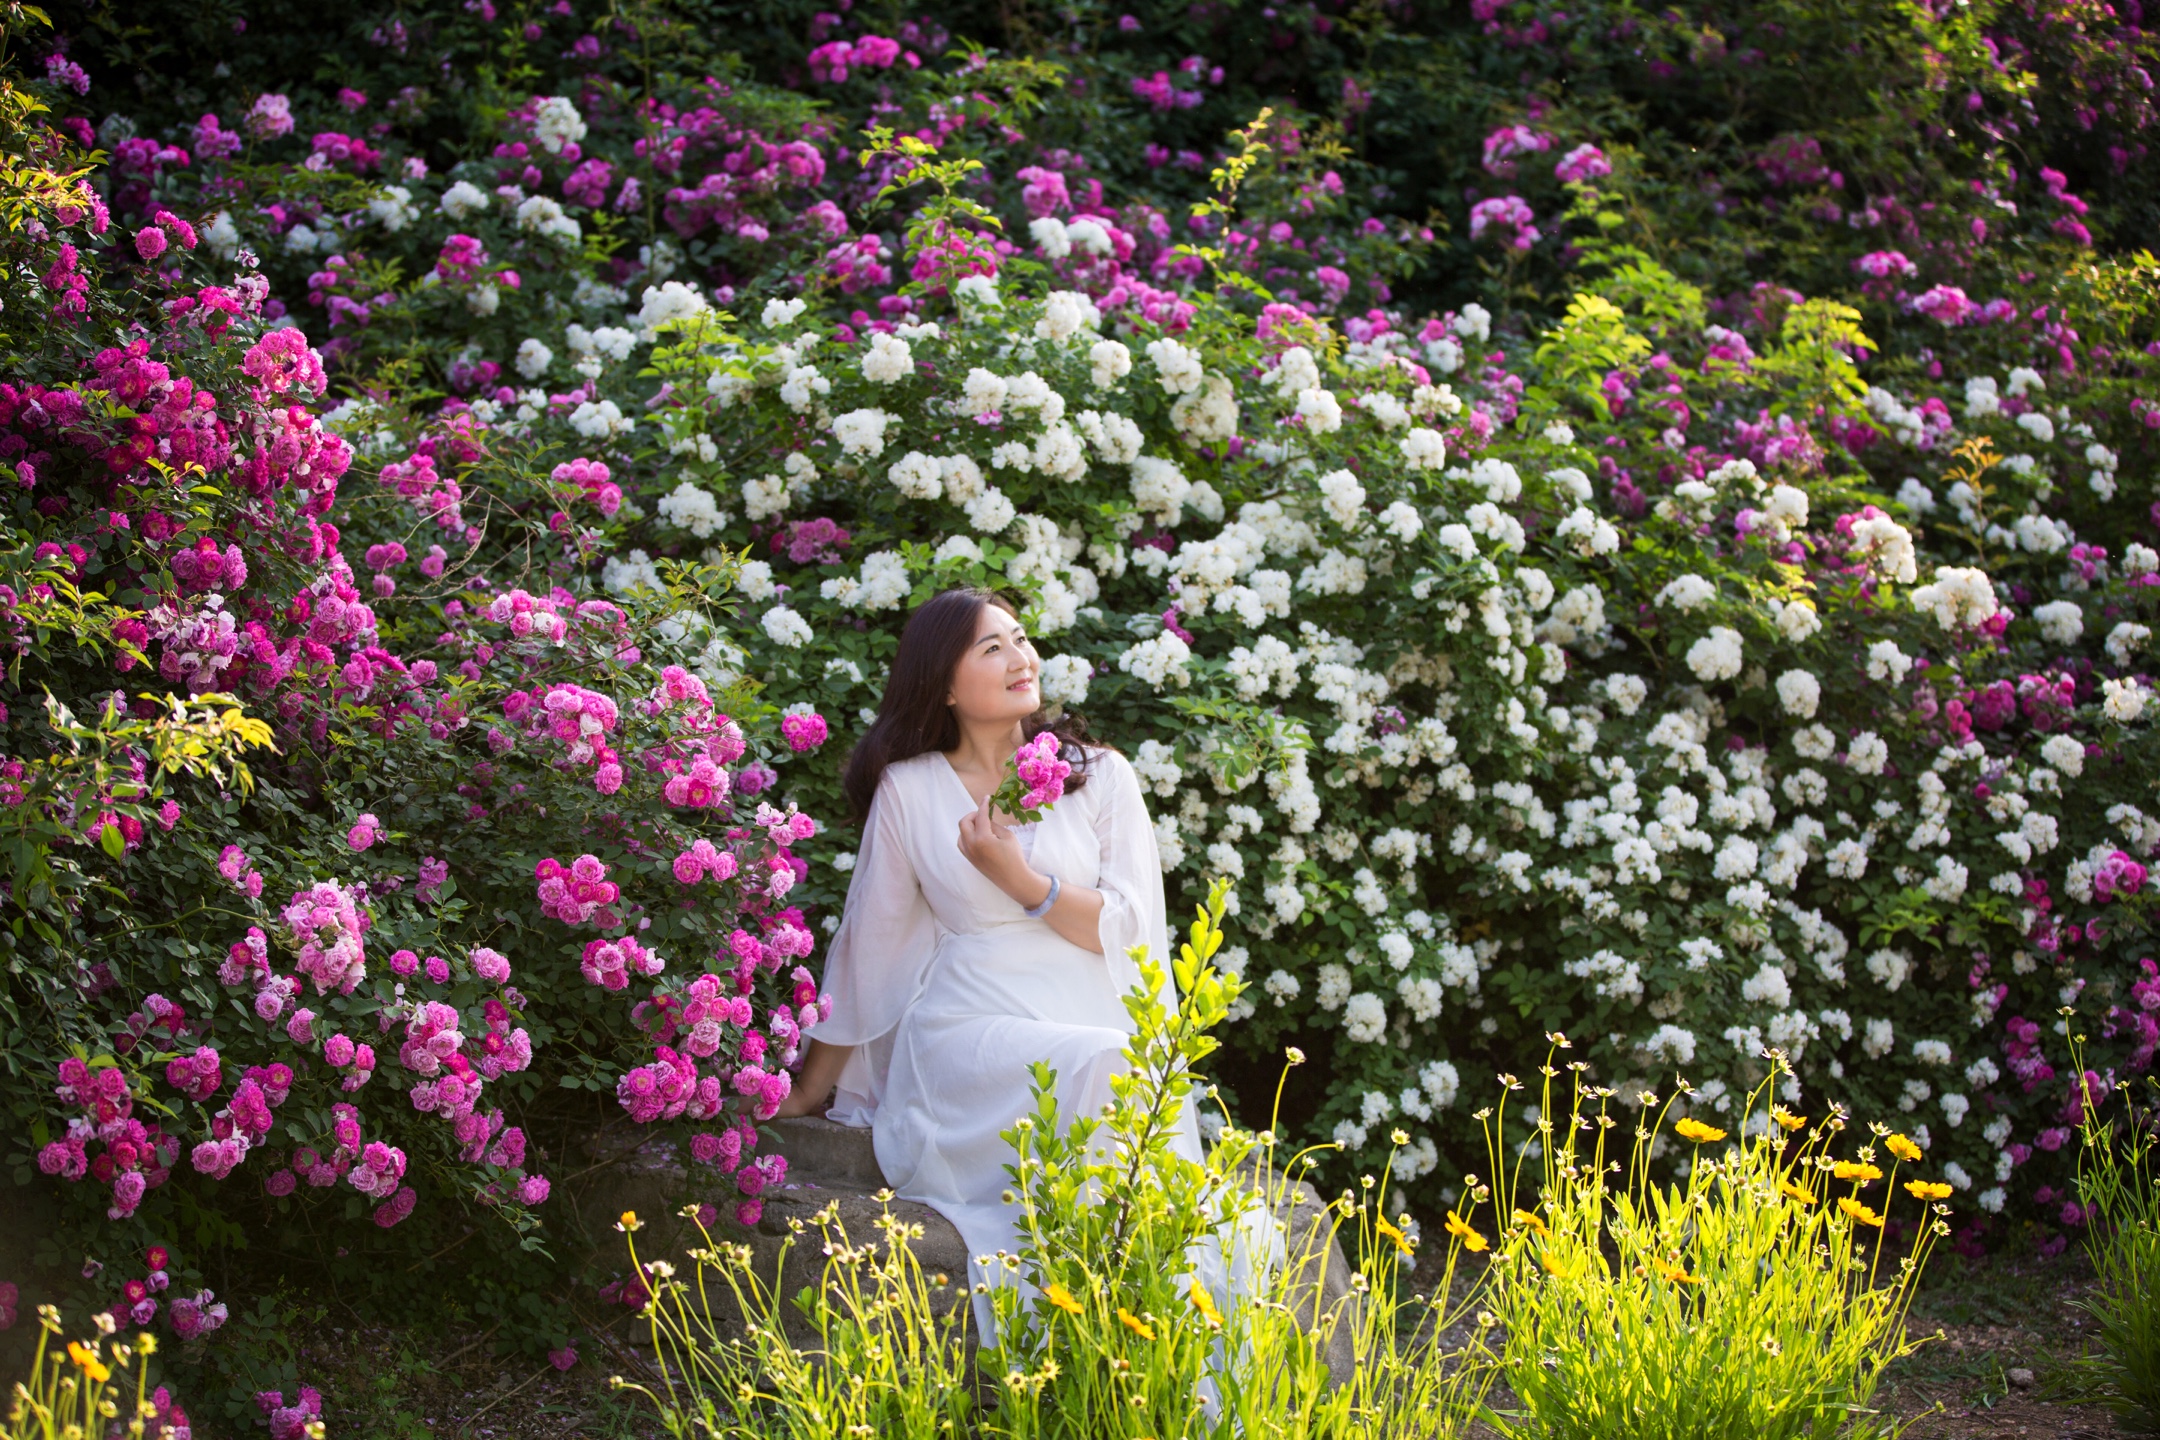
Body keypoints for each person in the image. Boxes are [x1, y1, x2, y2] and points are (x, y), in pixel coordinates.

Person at [774, 584, 1212, 1340]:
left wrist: (1023, 882)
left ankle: (1136, 1339)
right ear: (943, 683)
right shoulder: (910, 790)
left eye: (1020, 638)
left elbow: (1134, 928)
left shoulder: (1099, 775)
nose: (1021, 658)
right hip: (966, 1031)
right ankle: (1075, 1341)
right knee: (1109, 1066)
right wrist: (811, 1088)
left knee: (1121, 1066)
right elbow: (869, 946)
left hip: (1086, 1006)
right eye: (992, 647)